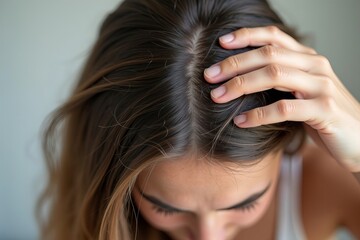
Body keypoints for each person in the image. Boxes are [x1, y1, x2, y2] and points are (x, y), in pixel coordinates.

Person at [37, 0, 360, 239]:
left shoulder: (324, 183)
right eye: (166, 208)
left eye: (245, 204)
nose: (209, 237)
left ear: (288, 139)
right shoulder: (104, 219)